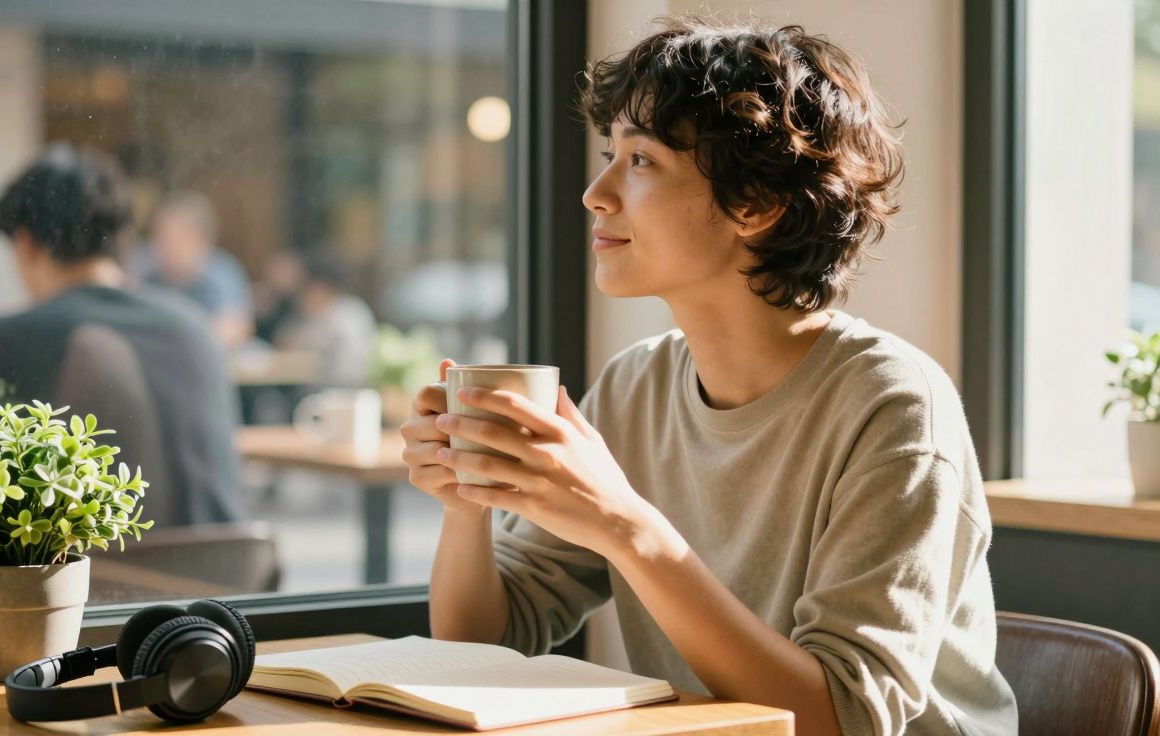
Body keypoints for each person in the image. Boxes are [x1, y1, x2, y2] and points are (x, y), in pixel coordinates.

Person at [400, 18, 1017, 736]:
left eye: (641, 161)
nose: (595, 194)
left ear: (755, 203)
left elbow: (841, 718)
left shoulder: (894, 407)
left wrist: (627, 529)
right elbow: (487, 645)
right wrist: (466, 499)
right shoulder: (636, 386)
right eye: (610, 155)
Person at [0, 143, 242, 527]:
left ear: (25, 243)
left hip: (103, 581)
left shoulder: (17, 336)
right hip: (229, 577)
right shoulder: (193, 327)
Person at [135, 190, 254, 349]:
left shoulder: (221, 274)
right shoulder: (149, 277)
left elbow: (234, 328)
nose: (165, 247)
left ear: (201, 241)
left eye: (175, 238)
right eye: (159, 237)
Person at [274, 249, 376, 388]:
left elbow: (292, 346)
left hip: (338, 393)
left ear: (319, 287)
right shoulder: (354, 308)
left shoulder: (342, 315)